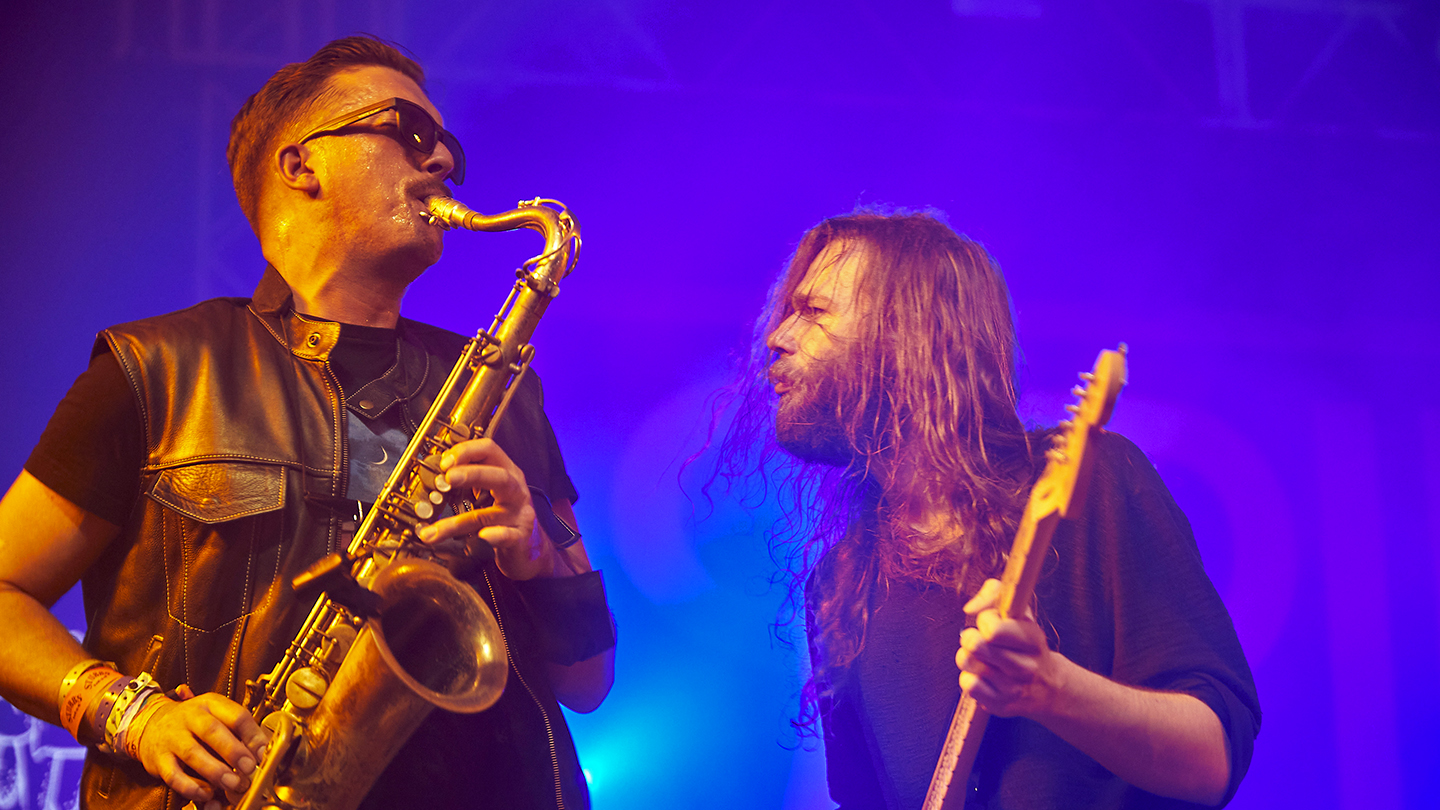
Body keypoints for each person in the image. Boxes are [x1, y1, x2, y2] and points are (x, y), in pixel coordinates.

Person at [0, 36, 614, 810]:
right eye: (411, 134)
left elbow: (588, 683)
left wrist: (534, 554)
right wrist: (133, 715)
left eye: (448, 147)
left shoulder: (503, 391)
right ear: (301, 166)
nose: (443, 165)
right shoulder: (153, 367)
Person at [724, 210, 1258, 809]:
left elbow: (1212, 761)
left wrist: (1054, 688)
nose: (777, 335)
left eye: (813, 311)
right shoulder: (840, 582)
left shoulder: (1091, 480)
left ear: (906, 334)